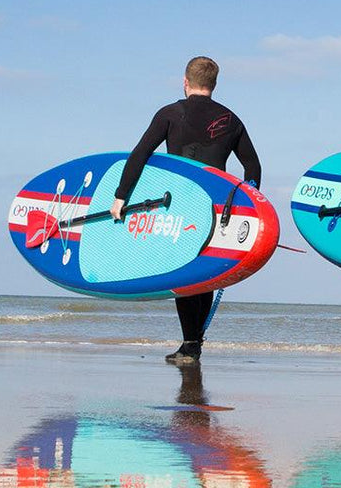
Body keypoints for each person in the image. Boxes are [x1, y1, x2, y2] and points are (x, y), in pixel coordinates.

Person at [110, 55, 262, 365]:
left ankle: (191, 344)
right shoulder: (231, 119)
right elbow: (253, 165)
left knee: (184, 273)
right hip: (217, 209)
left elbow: (139, 155)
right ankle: (192, 345)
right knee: (204, 274)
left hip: (180, 206)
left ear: (185, 81)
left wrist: (121, 197)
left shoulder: (170, 114)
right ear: (213, 85)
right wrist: (249, 205)